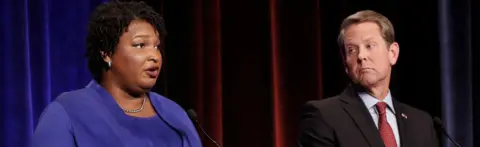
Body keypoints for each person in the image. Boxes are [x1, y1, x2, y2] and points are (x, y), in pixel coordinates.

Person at [31, 1, 202, 147]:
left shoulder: (176, 115)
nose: (154, 56)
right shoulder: (67, 113)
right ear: (106, 53)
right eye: (140, 45)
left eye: (156, 46)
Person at [298, 10, 438, 147]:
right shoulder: (323, 115)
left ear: (393, 53)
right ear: (344, 61)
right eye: (351, 50)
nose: (361, 56)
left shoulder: (421, 123)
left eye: (370, 46)